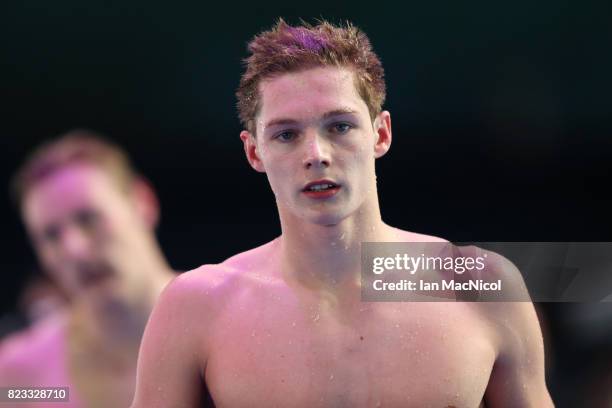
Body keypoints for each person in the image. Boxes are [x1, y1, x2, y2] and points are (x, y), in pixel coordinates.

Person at [131, 19, 553, 407]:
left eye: (339, 126)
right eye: (286, 134)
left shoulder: (482, 286)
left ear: (381, 133)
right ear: (254, 151)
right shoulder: (196, 306)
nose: (316, 154)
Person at [0, 130, 175, 408]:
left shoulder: (233, 323)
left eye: (89, 219)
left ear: (143, 203)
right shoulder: (18, 378)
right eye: (51, 235)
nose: (74, 250)